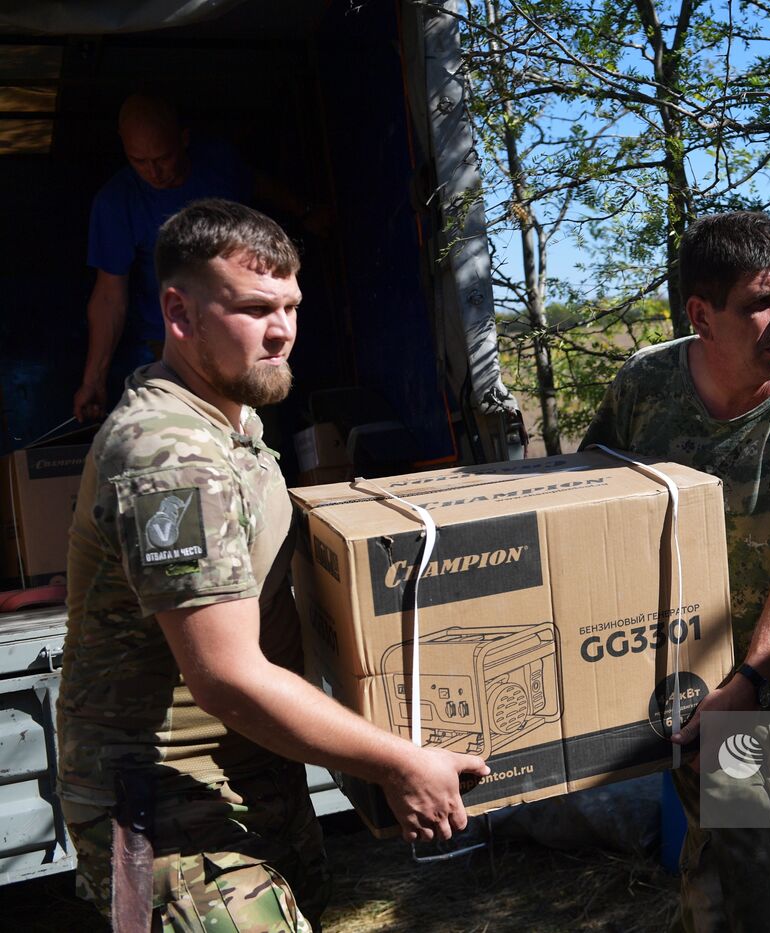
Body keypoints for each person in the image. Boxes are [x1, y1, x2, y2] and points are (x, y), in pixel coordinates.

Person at [58, 199, 487, 931]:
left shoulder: (236, 423)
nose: (283, 330)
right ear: (179, 312)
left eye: (290, 305)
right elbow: (226, 674)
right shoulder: (170, 456)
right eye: (255, 308)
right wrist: (398, 760)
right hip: (171, 808)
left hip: (257, 775)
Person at [581, 211, 770, 933]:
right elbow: (585, 506)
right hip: (700, 697)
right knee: (733, 898)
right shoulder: (646, 387)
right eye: (760, 303)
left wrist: (751, 680)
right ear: (701, 314)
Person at [74, 94, 325, 423]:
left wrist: (304, 210)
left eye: (162, 158)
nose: (153, 172)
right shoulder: (116, 203)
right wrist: (92, 380)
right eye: (138, 161)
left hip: (242, 326)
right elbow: (110, 297)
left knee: (255, 425)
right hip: (170, 339)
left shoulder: (218, 161)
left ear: (184, 139)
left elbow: (256, 183)